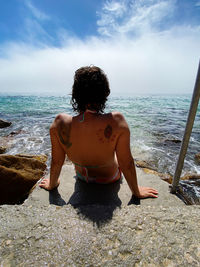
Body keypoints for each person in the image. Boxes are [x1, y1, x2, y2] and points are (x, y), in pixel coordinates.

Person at [39, 66, 158, 199]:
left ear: (75, 94)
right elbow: (127, 163)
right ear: (105, 93)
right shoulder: (116, 121)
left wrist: (52, 184)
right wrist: (137, 192)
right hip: (109, 179)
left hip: (83, 178)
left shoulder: (59, 122)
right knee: (119, 156)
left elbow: (57, 161)